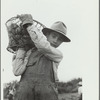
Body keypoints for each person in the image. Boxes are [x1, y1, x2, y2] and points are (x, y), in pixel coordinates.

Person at [12, 20, 71, 100]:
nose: (56, 41)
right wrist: (21, 48)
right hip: (25, 93)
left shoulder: (57, 55)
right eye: (53, 36)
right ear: (46, 35)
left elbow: (43, 46)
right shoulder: (29, 52)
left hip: (46, 94)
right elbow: (17, 71)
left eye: (60, 39)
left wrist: (29, 26)